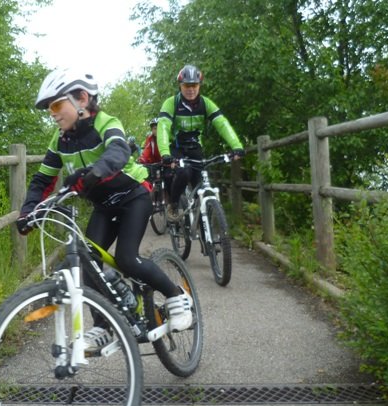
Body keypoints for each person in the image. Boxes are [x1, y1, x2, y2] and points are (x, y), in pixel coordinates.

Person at [16, 68, 193, 351]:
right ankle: (102, 326)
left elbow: (119, 151)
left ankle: (177, 297)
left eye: (57, 105)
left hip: (134, 196)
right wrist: (27, 212)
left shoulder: (106, 122)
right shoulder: (59, 140)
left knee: (126, 258)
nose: (53, 113)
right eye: (50, 108)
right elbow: (42, 180)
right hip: (103, 206)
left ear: (82, 99)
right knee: (88, 261)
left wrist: (93, 173)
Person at [157, 64, 245, 222]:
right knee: (184, 172)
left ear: (199, 86)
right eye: (187, 85)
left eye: (194, 85)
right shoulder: (171, 103)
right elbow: (163, 127)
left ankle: (206, 229)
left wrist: (236, 146)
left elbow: (222, 124)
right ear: (180, 86)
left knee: (201, 183)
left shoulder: (206, 103)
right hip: (176, 148)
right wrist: (165, 154)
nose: (191, 89)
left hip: (195, 147)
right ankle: (174, 204)